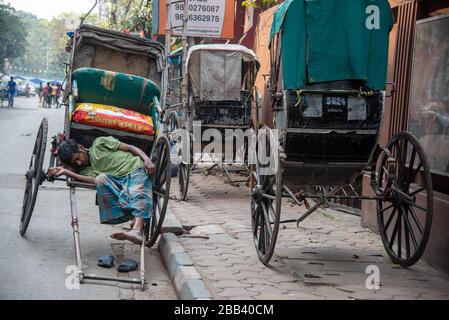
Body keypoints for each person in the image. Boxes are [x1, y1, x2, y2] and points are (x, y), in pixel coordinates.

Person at [48, 136, 156, 244]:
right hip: (118, 182)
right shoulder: (84, 171)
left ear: (81, 148)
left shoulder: (99, 143)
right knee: (100, 179)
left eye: (77, 158)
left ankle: (136, 230)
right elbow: (94, 180)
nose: (79, 163)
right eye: (75, 163)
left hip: (135, 169)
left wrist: (146, 159)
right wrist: (66, 172)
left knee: (137, 190)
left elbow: (130, 147)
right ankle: (135, 219)